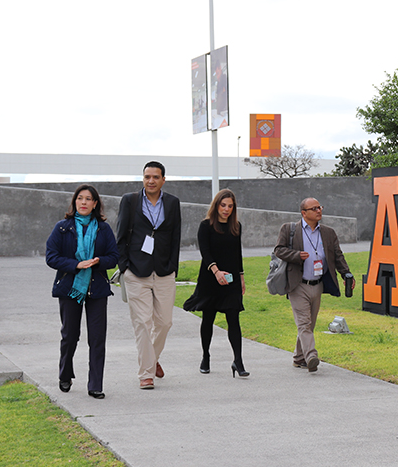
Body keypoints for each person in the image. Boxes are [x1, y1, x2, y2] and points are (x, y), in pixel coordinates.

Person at [46, 185, 119, 399]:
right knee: (70, 336)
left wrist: (98, 262)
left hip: (96, 289)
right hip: (70, 289)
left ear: (95, 204)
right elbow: (51, 257)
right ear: (75, 202)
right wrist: (76, 265)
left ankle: (95, 384)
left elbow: (114, 256)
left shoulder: (103, 229)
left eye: (89, 199)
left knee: (97, 338)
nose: (84, 202)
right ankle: (65, 374)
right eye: (80, 198)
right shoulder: (62, 227)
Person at [116, 161, 182, 390]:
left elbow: (175, 236)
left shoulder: (172, 203)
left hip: (164, 271)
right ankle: (146, 373)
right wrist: (124, 267)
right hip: (136, 271)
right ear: (142, 179)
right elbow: (121, 234)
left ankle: (151, 359)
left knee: (164, 322)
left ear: (163, 179)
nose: (151, 181)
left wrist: (174, 266)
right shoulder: (130, 201)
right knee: (142, 323)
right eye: (147, 177)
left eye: (155, 177)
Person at [274, 197, 354, 372]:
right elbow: (278, 250)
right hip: (297, 284)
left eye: (320, 207)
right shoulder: (290, 230)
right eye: (314, 208)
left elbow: (338, 256)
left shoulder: (328, 232)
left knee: (309, 324)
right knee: (303, 323)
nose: (319, 211)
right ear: (304, 213)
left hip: (317, 284)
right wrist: (297, 255)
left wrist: (346, 273)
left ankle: (298, 357)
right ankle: (311, 356)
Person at [183, 189, 248, 377]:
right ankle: (205, 356)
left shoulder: (236, 226)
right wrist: (216, 271)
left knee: (233, 320)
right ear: (216, 205)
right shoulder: (206, 226)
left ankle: (238, 361)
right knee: (208, 319)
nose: (226, 209)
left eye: (230, 206)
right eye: (223, 205)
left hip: (231, 280)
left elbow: (237, 254)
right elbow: (205, 252)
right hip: (210, 279)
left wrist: (241, 277)